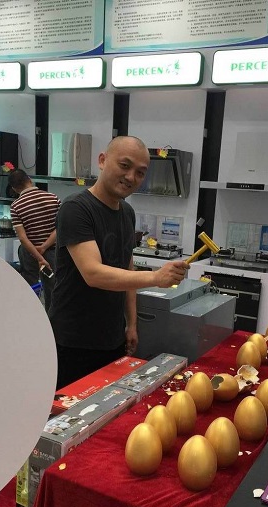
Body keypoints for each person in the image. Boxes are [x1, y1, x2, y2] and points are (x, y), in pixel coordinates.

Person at [49, 135, 189, 390]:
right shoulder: (76, 208)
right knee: (72, 410)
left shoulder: (127, 212)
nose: (131, 177)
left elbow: (127, 267)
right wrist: (155, 277)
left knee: (111, 405)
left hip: (112, 338)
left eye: (140, 172)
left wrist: (131, 324)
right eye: (124, 166)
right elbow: (93, 273)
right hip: (73, 341)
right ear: (102, 161)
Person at [9, 169, 60, 312]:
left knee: (30, 289)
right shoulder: (53, 198)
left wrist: (39, 257)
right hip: (52, 252)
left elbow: (23, 238)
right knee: (52, 290)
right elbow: (60, 227)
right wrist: (44, 247)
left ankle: (29, 317)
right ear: (29, 180)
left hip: (29, 253)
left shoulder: (16, 206)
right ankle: (50, 322)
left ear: (14, 188)